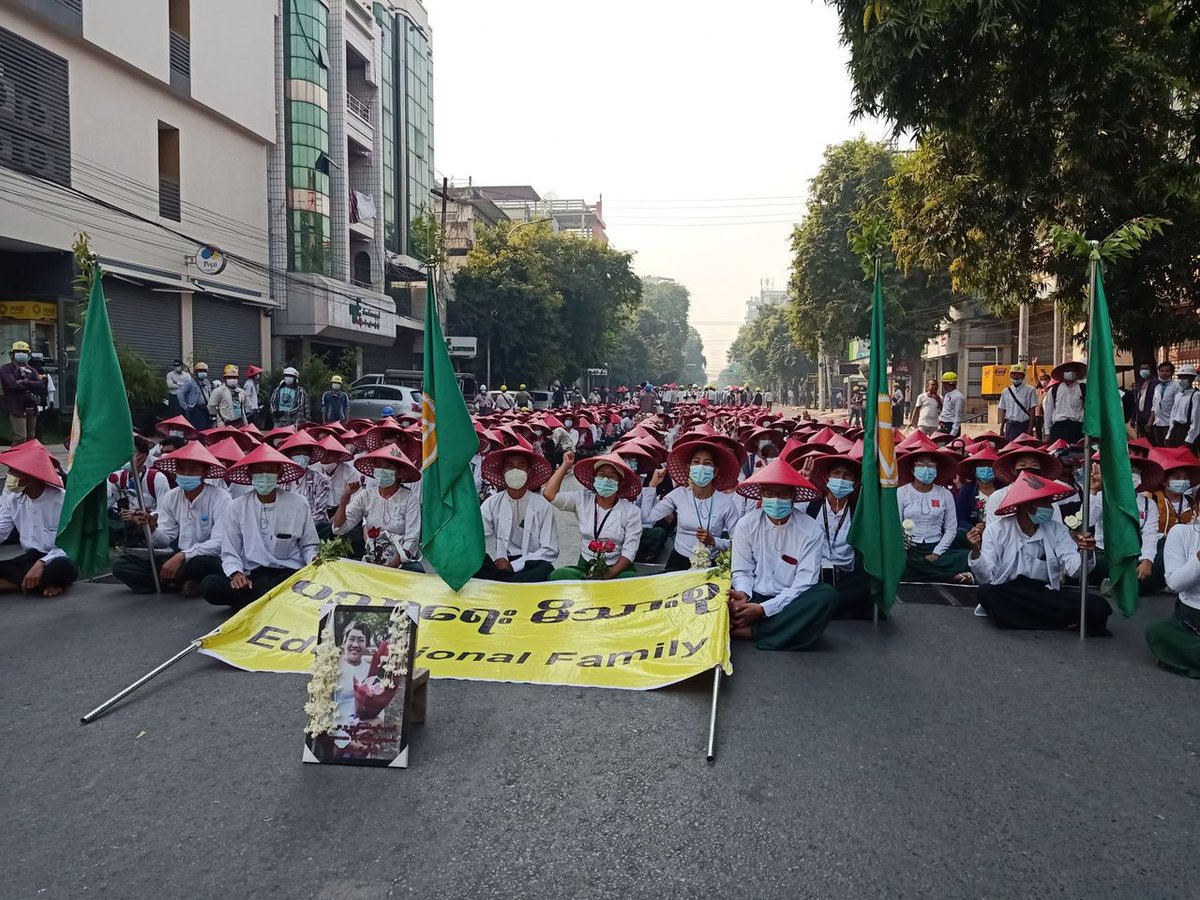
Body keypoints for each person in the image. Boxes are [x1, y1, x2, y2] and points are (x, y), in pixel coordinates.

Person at [966, 471, 1109, 635]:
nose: (1050, 508)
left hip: (1044, 594)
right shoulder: (996, 530)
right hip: (1009, 591)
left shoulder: (1057, 529)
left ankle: (1024, 619)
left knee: (1098, 605)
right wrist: (976, 551)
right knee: (986, 593)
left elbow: (1074, 570)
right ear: (1028, 504)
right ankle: (1059, 622)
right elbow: (987, 578)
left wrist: (1087, 553)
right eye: (1045, 503)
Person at [728, 458, 839, 650]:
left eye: (782, 494)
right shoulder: (746, 524)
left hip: (791, 603)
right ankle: (776, 630)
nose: (776, 500)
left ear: (793, 496)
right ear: (761, 495)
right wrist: (743, 594)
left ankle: (753, 631)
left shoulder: (810, 529)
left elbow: (804, 582)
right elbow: (742, 570)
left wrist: (764, 610)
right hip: (754, 596)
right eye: (769, 493)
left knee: (827, 595)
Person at [201, 445, 319, 609]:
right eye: (259, 471)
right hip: (254, 577)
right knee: (211, 585)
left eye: (270, 470)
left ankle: (263, 603)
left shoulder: (299, 503)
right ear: (250, 474)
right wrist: (236, 573)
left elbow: (309, 545)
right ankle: (274, 602)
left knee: (293, 586)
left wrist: (313, 559)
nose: (264, 475)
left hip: (290, 574)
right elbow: (230, 551)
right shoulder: (237, 506)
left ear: (280, 473)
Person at [111, 443, 230, 595]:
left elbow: (220, 542)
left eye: (193, 470)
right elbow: (165, 539)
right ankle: (178, 583)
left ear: (204, 473)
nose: (186, 474)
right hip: (179, 558)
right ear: (175, 472)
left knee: (203, 564)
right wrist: (153, 528)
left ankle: (174, 582)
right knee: (122, 565)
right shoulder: (172, 497)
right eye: (181, 469)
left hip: (206, 558)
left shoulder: (221, 498)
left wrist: (183, 555)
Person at [642, 439, 743, 571]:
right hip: (678, 561)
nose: (701, 467)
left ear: (715, 471)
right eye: (696, 462)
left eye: (707, 464)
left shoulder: (726, 503)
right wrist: (652, 486)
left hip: (710, 563)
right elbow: (647, 517)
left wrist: (714, 542)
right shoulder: (678, 495)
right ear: (689, 467)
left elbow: (738, 541)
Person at [544, 451, 643, 580]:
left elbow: (629, 551)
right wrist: (565, 465)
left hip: (616, 568)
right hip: (586, 564)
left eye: (612, 476)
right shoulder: (582, 500)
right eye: (601, 475)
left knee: (631, 581)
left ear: (620, 482)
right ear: (595, 478)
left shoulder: (631, 511)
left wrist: (608, 575)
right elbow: (550, 494)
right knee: (558, 575)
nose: (605, 480)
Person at [0, 441, 77, 596]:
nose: (9, 476)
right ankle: (38, 585)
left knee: (62, 568)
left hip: (57, 557)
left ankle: (20, 584)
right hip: (29, 559)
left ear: (31, 475)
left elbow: (72, 545)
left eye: (13, 472)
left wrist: (43, 562)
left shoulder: (62, 501)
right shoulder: (13, 500)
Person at [476, 440, 559, 582]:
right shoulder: (491, 503)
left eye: (521, 466)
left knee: (546, 569)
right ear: (503, 471)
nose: (515, 471)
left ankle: (506, 582)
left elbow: (550, 549)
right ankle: (509, 582)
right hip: (499, 561)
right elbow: (482, 538)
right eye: (510, 466)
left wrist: (514, 566)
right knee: (475, 563)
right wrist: (499, 560)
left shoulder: (542, 506)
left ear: (528, 471)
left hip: (529, 562)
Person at [806, 447, 873, 620]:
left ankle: (823, 605)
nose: (841, 479)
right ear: (827, 477)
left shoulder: (860, 511)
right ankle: (828, 604)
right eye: (836, 474)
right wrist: (803, 481)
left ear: (855, 481)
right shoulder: (811, 507)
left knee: (867, 583)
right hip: (815, 575)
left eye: (846, 476)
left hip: (847, 577)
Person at [331, 447, 424, 572]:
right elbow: (339, 528)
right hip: (371, 557)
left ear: (398, 473)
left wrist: (391, 567)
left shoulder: (409, 499)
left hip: (399, 561)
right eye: (379, 467)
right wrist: (345, 497)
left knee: (417, 571)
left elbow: (411, 539)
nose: (382, 471)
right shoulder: (367, 495)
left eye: (388, 467)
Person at [897, 450, 971, 582]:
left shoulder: (945, 494)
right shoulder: (902, 492)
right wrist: (902, 547)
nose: (926, 469)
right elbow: (896, 524)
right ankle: (948, 576)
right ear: (912, 469)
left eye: (931, 466)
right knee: (904, 561)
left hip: (936, 546)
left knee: (966, 556)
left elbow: (951, 528)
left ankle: (925, 572)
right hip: (909, 548)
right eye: (921, 465)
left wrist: (937, 552)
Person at [1147, 495, 1200, 676]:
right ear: (1197, 509)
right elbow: (1175, 583)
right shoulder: (1181, 533)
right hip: (1191, 615)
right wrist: (1198, 560)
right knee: (1157, 632)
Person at [278, 433, 332, 532]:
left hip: (314, 529)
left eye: (305, 453)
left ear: (310, 456)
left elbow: (319, 513)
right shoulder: (282, 481)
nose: (301, 457)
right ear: (290, 456)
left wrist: (300, 530)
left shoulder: (321, 480)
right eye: (297, 453)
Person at [1, 340, 46, 444]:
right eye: (18, 351)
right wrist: (31, 383)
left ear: (29, 354)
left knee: (31, 438)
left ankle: (28, 459)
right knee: (20, 437)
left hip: (31, 407)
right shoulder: (6, 369)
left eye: (24, 352)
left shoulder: (32, 370)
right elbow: (12, 384)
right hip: (16, 407)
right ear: (12, 354)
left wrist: (24, 382)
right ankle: (15, 459)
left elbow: (41, 384)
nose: (21, 354)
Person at [1041, 361, 1087, 443]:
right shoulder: (1054, 390)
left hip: (1077, 427)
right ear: (1062, 373)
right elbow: (1048, 412)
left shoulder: (1083, 388)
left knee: (1077, 454)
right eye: (1068, 370)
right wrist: (1047, 432)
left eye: (1073, 370)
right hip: (1059, 427)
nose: (1071, 373)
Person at [997, 365, 1037, 442]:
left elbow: (1032, 411)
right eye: (1013, 374)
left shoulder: (1030, 390)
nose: (1016, 376)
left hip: (1024, 425)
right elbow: (1003, 411)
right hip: (1010, 426)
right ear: (1010, 375)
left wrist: (1030, 428)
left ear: (1023, 376)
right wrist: (1001, 428)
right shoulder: (1006, 391)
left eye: (1019, 374)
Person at [1166, 364, 1200, 449]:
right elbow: (1173, 416)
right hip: (1175, 429)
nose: (1182, 380)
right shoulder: (1178, 395)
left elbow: (1196, 421)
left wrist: (1188, 441)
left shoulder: (1196, 395)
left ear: (1192, 379)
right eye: (1180, 378)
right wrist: (1169, 435)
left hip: (1186, 430)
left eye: (1185, 377)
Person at [1150, 361, 1179, 446]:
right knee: (1158, 447)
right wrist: (1150, 421)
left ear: (1172, 372)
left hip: (1169, 423)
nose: (1164, 373)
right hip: (1157, 423)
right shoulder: (1157, 387)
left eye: (1167, 371)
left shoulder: (1176, 386)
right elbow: (1154, 406)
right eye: (1161, 371)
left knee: (1169, 446)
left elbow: (1177, 405)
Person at [179, 361, 213, 431]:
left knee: (207, 428)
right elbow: (180, 393)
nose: (202, 372)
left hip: (206, 409)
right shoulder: (191, 383)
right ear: (196, 372)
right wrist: (184, 406)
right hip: (195, 410)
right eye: (200, 371)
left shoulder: (207, 382)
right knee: (198, 429)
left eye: (204, 371)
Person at [1131, 362, 1159, 439]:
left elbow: (1155, 404)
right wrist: (1134, 418)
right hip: (1140, 419)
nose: (1144, 370)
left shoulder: (1156, 384)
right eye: (1142, 368)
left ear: (1151, 370)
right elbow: (1136, 402)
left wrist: (1151, 420)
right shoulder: (1140, 384)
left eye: (1146, 368)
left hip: (1150, 420)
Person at [937, 372, 965, 436]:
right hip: (944, 424)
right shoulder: (947, 395)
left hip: (951, 425)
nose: (943, 385)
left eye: (944, 383)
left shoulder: (958, 396)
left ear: (948, 383)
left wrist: (954, 431)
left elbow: (958, 414)